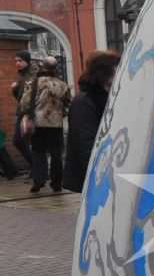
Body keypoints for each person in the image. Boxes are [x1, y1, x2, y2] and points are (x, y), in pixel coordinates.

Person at [64, 49, 119, 192]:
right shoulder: (85, 101)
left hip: (104, 169)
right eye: (116, 68)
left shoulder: (105, 97)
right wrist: (95, 174)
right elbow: (85, 140)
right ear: (104, 72)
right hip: (94, 172)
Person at [23, 57, 70, 194]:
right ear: (56, 69)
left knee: (38, 152)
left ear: (42, 67)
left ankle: (39, 180)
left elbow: (24, 104)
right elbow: (68, 104)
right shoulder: (62, 84)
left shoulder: (32, 83)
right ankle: (56, 184)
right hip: (55, 123)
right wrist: (60, 114)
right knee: (56, 154)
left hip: (37, 123)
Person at [8, 51, 37, 170]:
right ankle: (35, 168)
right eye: (16, 61)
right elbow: (20, 97)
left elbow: (33, 95)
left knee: (23, 142)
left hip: (30, 113)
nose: (17, 63)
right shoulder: (23, 75)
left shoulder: (33, 74)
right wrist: (15, 89)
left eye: (20, 60)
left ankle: (38, 170)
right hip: (22, 111)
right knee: (19, 142)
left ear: (27, 60)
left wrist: (30, 113)